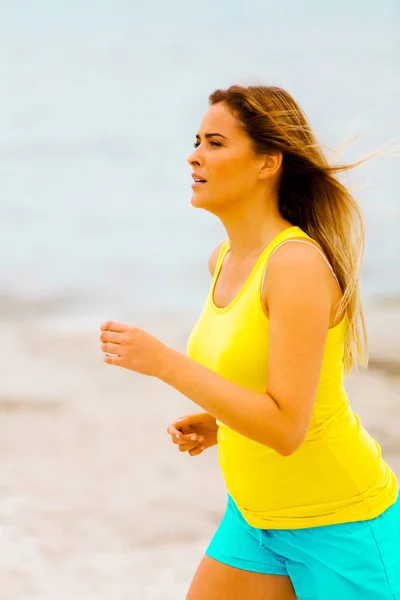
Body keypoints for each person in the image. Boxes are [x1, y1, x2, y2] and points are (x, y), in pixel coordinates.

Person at [99, 85, 400, 600]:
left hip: (340, 522)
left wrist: (163, 363)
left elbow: (287, 427)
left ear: (267, 163)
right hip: (256, 517)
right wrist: (222, 423)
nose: (194, 155)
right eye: (197, 141)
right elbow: (263, 378)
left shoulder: (296, 265)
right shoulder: (224, 259)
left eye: (216, 143)